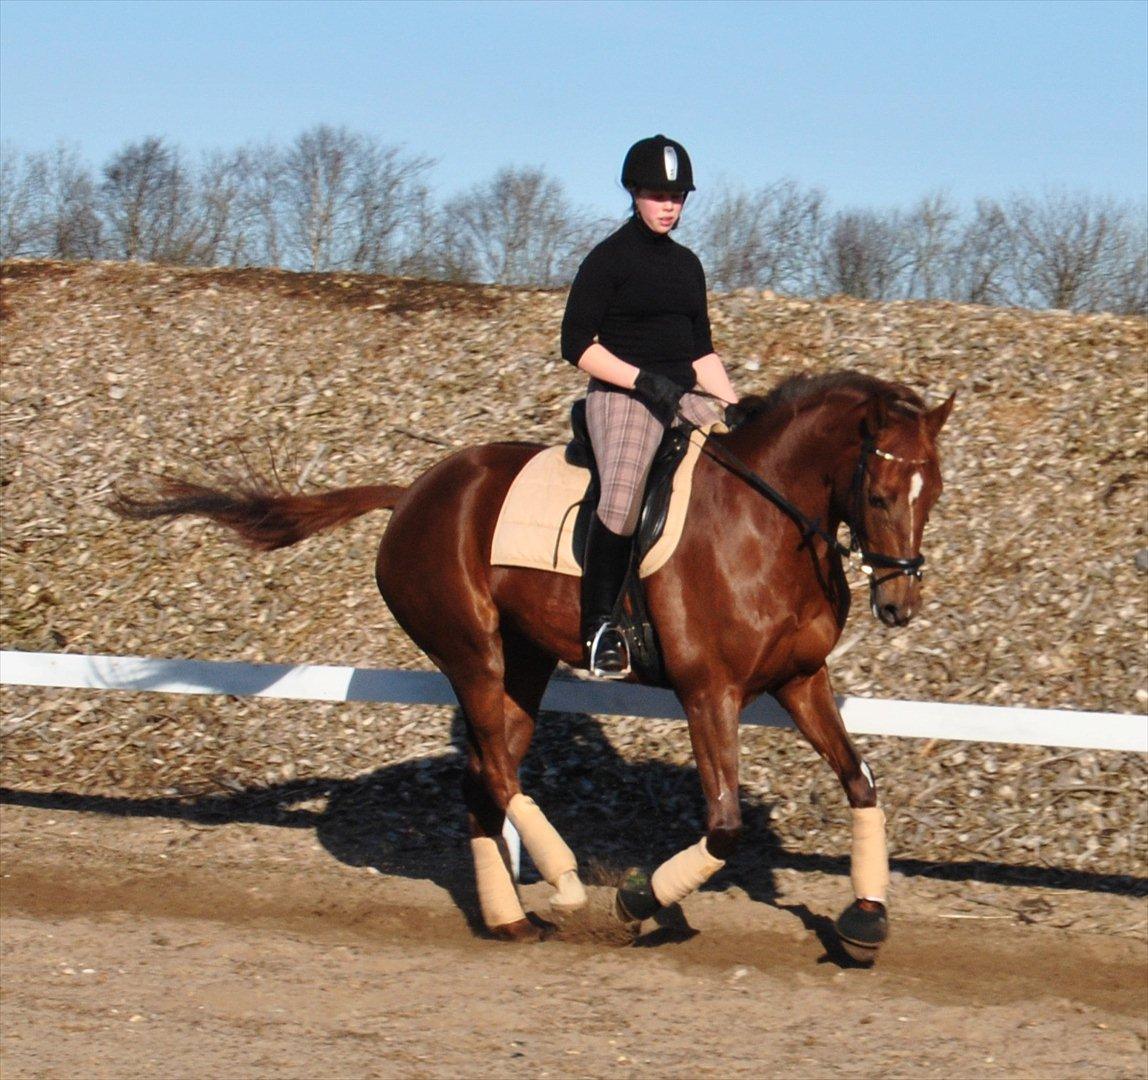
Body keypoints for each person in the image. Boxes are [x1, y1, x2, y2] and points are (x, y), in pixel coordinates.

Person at [561, 134, 739, 678]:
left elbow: (700, 351)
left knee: (744, 469)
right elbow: (577, 345)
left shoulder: (689, 267)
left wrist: (737, 406)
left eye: (678, 196)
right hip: (622, 396)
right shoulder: (608, 259)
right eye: (659, 194)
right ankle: (599, 629)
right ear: (634, 192)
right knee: (623, 492)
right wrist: (642, 382)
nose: (668, 205)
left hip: (683, 396)